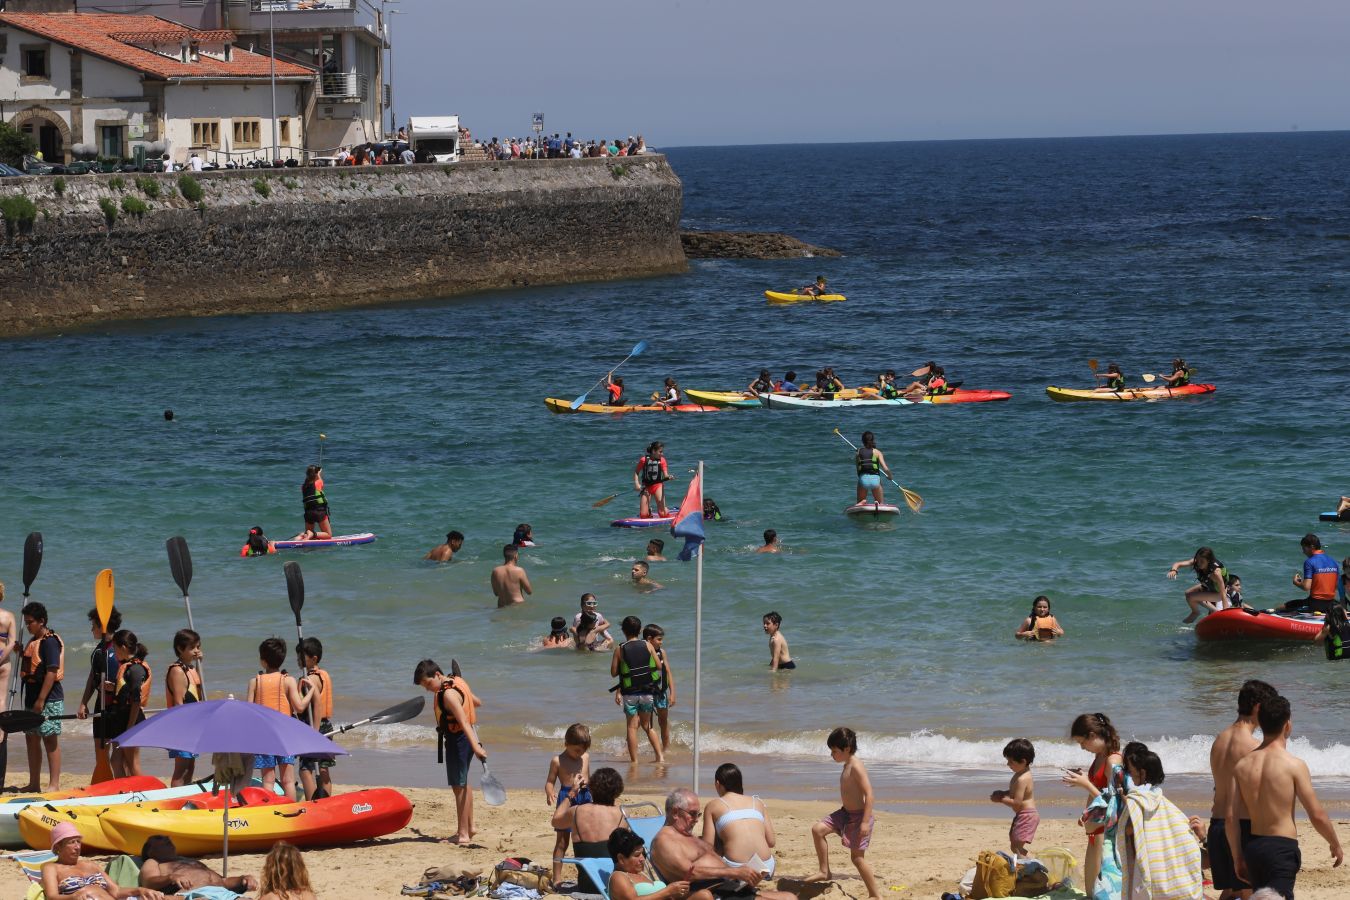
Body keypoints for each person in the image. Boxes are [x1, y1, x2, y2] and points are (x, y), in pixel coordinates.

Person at [1227, 694, 1343, 899]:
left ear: (1260, 723)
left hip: (1253, 848)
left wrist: (1237, 856)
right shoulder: (1294, 765)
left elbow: (1231, 818)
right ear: (1287, 725)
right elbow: (1316, 813)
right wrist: (1334, 842)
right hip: (1281, 849)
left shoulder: (1242, 765)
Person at [652, 787, 795, 900]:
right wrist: (734, 871)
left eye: (698, 814)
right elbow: (690, 872)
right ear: (676, 812)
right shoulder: (664, 841)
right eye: (693, 814)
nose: (696, 819)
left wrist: (745, 875)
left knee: (790, 897)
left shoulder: (688, 836)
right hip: (711, 892)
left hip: (729, 887)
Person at [1209, 679, 1278, 900]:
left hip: (1217, 827)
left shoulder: (1219, 740)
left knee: (1230, 892)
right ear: (1258, 707)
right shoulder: (1252, 745)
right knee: (1251, 893)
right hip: (1241, 828)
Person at [415, 658, 486, 844]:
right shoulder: (458, 682)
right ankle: (470, 827)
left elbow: (462, 721)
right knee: (463, 783)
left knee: (458, 787)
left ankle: (462, 835)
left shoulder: (447, 695)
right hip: (469, 736)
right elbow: (477, 702)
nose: (427, 689)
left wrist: (477, 748)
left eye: (428, 683)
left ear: (437, 675)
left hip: (460, 740)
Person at [1119, 751, 1204, 900]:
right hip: (1168, 873)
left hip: (1147, 867)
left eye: (1130, 771)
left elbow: (1129, 830)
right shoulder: (1165, 803)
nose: (1128, 775)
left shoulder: (1136, 800)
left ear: (1142, 773)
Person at [807, 728, 879, 900]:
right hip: (844, 813)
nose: (832, 755)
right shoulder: (847, 765)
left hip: (859, 817)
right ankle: (824, 871)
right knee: (817, 830)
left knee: (857, 859)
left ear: (846, 748)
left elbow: (869, 794)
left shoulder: (856, 766)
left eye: (834, 751)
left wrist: (864, 822)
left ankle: (875, 895)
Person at [1062, 712, 1125, 899]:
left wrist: (1085, 783)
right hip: (1095, 824)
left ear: (1093, 735)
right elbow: (1099, 789)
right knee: (1090, 879)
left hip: (1105, 827)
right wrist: (1086, 811)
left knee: (1098, 879)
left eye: (1083, 742)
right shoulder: (1099, 756)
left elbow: (1114, 801)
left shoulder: (1113, 760)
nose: (1082, 748)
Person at [247, 637, 314, 800]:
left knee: (268, 781)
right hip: (285, 735)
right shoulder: (288, 680)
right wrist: (311, 691)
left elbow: (248, 712)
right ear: (282, 658)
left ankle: (270, 811)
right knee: (288, 780)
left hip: (264, 735)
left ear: (263, 661)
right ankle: (290, 810)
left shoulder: (255, 681)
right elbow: (299, 707)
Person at [42, 822, 166, 900]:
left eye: (78, 841)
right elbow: (52, 897)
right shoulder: (51, 868)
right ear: (58, 847)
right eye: (71, 842)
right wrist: (73, 897)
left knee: (157, 896)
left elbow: (116, 891)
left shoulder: (90, 865)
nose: (77, 847)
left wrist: (140, 890)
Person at [551, 767, 625, 892]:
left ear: (591, 788)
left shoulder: (577, 811)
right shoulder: (621, 815)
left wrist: (571, 794)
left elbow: (555, 821)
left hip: (587, 886)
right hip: (614, 885)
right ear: (618, 791)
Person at [701, 763, 777, 876]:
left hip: (736, 869)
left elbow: (708, 847)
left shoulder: (713, 806)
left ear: (718, 784)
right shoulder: (758, 802)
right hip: (766, 867)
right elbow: (771, 842)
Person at [20, 601, 64, 792]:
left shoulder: (50, 642)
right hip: (31, 697)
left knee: (49, 739)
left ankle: (54, 784)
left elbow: (51, 672)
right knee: (31, 738)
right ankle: (34, 783)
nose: (28, 625)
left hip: (49, 699)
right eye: (26, 622)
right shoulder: (33, 641)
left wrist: (41, 700)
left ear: (42, 621)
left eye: (30, 622)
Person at [77, 606, 122, 785]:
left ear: (102, 626)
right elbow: (92, 677)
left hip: (118, 708)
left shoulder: (120, 647)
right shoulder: (98, 650)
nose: (91, 629)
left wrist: (116, 687)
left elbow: (133, 675)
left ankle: (121, 786)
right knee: (101, 756)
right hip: (100, 704)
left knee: (118, 758)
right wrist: (83, 703)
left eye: (93, 625)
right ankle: (104, 785)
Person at [611, 615, 664, 763]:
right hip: (647, 692)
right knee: (648, 726)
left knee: (632, 727)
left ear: (623, 631)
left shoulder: (620, 649)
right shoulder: (647, 645)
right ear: (640, 630)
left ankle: (634, 761)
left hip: (630, 694)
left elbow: (614, 673)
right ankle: (660, 756)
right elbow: (659, 667)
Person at [545, 723, 594, 884]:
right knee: (562, 840)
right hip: (567, 797)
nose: (580, 754)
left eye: (583, 750)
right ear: (566, 744)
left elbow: (589, 777)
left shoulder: (585, 757)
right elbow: (550, 781)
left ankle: (587, 875)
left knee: (586, 838)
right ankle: (557, 878)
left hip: (585, 796)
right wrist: (549, 791)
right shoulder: (557, 761)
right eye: (577, 750)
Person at [139, 834, 257, 894]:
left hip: (223, 894)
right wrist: (171, 877)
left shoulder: (187, 861)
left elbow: (223, 881)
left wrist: (243, 879)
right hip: (195, 895)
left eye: (168, 840)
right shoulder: (154, 862)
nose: (167, 841)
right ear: (150, 851)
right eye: (161, 841)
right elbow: (148, 882)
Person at [106, 630, 150, 778]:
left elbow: (136, 700)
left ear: (123, 647)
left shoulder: (136, 669)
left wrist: (130, 728)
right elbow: (128, 691)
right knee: (116, 760)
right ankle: (124, 791)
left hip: (131, 721)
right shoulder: (127, 667)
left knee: (132, 763)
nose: (114, 652)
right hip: (122, 719)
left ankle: (142, 791)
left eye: (115, 648)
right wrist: (114, 687)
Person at [295, 637, 334, 799]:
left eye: (301, 657)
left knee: (305, 769)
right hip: (326, 725)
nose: (298, 660)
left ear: (314, 658)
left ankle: (313, 804)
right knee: (323, 767)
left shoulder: (310, 680)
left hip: (314, 726)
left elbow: (317, 705)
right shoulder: (323, 675)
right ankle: (326, 800)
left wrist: (313, 731)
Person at [164, 628, 203, 786]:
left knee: (190, 767)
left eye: (198, 647)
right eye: (192, 648)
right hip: (183, 726)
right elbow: (179, 703)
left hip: (193, 724)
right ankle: (176, 800)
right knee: (182, 768)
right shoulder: (177, 671)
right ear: (180, 649)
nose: (196, 651)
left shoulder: (191, 668)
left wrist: (201, 663)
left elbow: (197, 690)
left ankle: (186, 797)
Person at [609, 827, 691, 900]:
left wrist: (677, 892)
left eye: (643, 854)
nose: (642, 859)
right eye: (637, 855)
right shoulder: (618, 877)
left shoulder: (642, 874)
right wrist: (668, 891)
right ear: (621, 858)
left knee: (702, 895)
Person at [991, 739, 1038, 856]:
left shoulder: (1023, 779)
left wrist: (1001, 799)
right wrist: (1003, 793)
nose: (1008, 764)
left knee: (1017, 846)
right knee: (1014, 845)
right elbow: (1015, 792)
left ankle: (1031, 866)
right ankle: (1027, 861)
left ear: (1023, 761)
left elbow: (1017, 802)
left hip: (1027, 816)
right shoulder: (1019, 774)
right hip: (1023, 815)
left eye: (1011, 762)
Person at [1276, 533, 1339, 615]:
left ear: (1312, 547)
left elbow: (1306, 587)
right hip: (1330, 603)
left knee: (1282, 607)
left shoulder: (1310, 562)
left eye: (1304, 548)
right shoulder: (1333, 561)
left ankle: (1272, 613)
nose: (1303, 552)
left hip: (1315, 604)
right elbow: (1337, 586)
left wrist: (1296, 582)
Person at [1168, 547, 1234, 623]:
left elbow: (1223, 592)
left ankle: (1201, 612)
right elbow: (1178, 564)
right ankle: (1205, 611)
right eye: (1197, 560)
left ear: (1209, 561)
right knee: (1187, 593)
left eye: (1202, 561)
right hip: (1209, 586)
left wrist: (1225, 612)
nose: (1198, 564)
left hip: (1219, 593)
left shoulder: (1216, 573)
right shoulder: (1197, 561)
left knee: (1190, 596)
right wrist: (1174, 570)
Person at [644, 623, 676, 753]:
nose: (661, 642)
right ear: (649, 639)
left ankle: (666, 748)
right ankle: (628, 747)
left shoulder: (662, 653)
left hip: (661, 692)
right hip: (646, 691)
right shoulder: (642, 652)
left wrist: (672, 693)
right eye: (659, 639)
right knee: (646, 723)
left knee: (663, 721)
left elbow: (668, 672)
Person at [0, 582, 16, 785]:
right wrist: (2, 655)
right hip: (3, 660)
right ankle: (1, 732)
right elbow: (12, 641)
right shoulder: (8, 616)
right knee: (1, 700)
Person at [292, 465, 331, 541]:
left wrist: (316, 473)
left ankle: (302, 536)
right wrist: (319, 474)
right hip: (319, 512)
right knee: (328, 535)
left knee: (308, 535)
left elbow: (310, 482)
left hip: (308, 514)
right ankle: (312, 534)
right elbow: (321, 482)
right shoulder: (318, 483)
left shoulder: (303, 487)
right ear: (315, 474)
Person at [635, 441, 672, 518]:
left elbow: (665, 475)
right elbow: (636, 472)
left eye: (662, 452)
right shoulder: (643, 460)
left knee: (663, 514)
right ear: (653, 451)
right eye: (660, 452)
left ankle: (665, 509)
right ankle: (649, 510)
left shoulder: (662, 460)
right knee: (643, 515)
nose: (662, 454)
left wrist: (669, 477)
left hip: (658, 486)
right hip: (646, 487)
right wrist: (637, 484)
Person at [854, 431, 892, 505]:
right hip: (875, 481)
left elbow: (858, 470)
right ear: (873, 440)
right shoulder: (877, 452)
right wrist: (890, 476)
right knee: (881, 502)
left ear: (863, 441)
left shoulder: (858, 452)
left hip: (863, 480)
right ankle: (879, 503)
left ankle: (862, 502)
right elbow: (885, 468)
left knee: (860, 481)